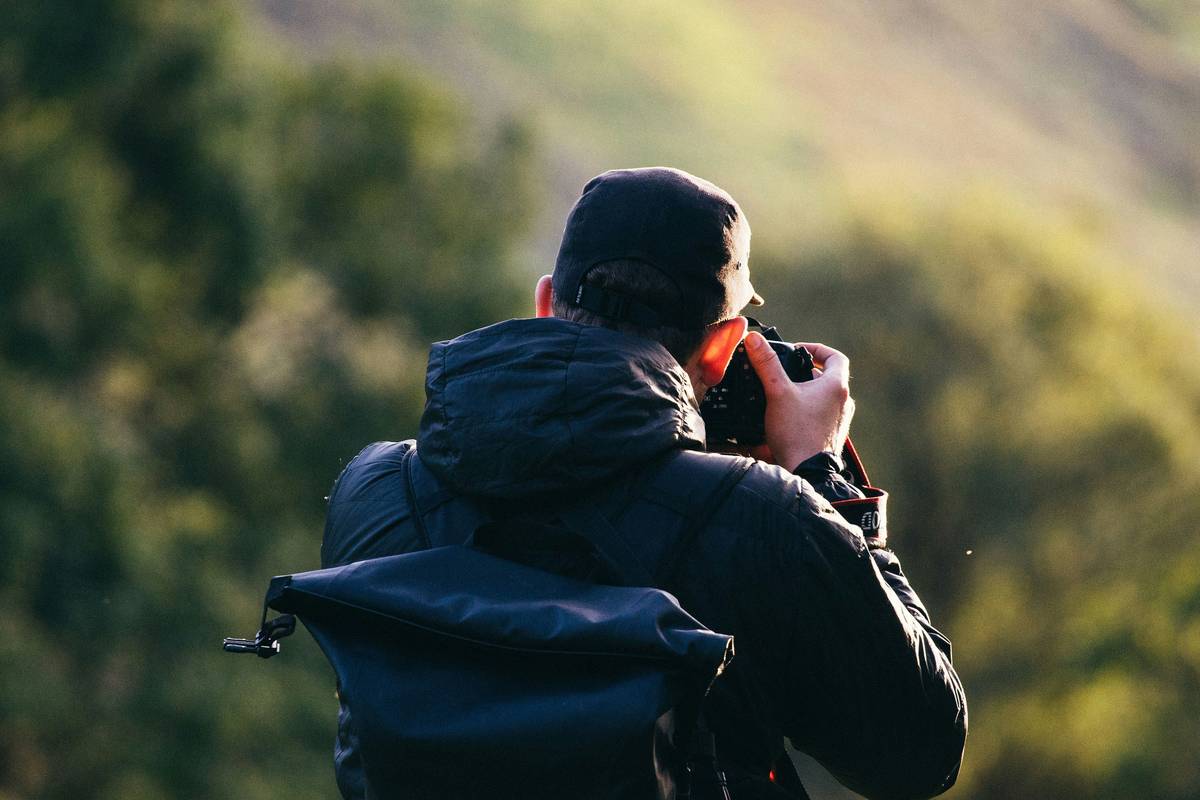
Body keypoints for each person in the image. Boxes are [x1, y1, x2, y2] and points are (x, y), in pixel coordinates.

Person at [321, 167, 967, 799]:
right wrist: (820, 475)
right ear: (720, 352)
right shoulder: (765, 525)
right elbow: (923, 750)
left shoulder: (375, 495)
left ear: (546, 302)